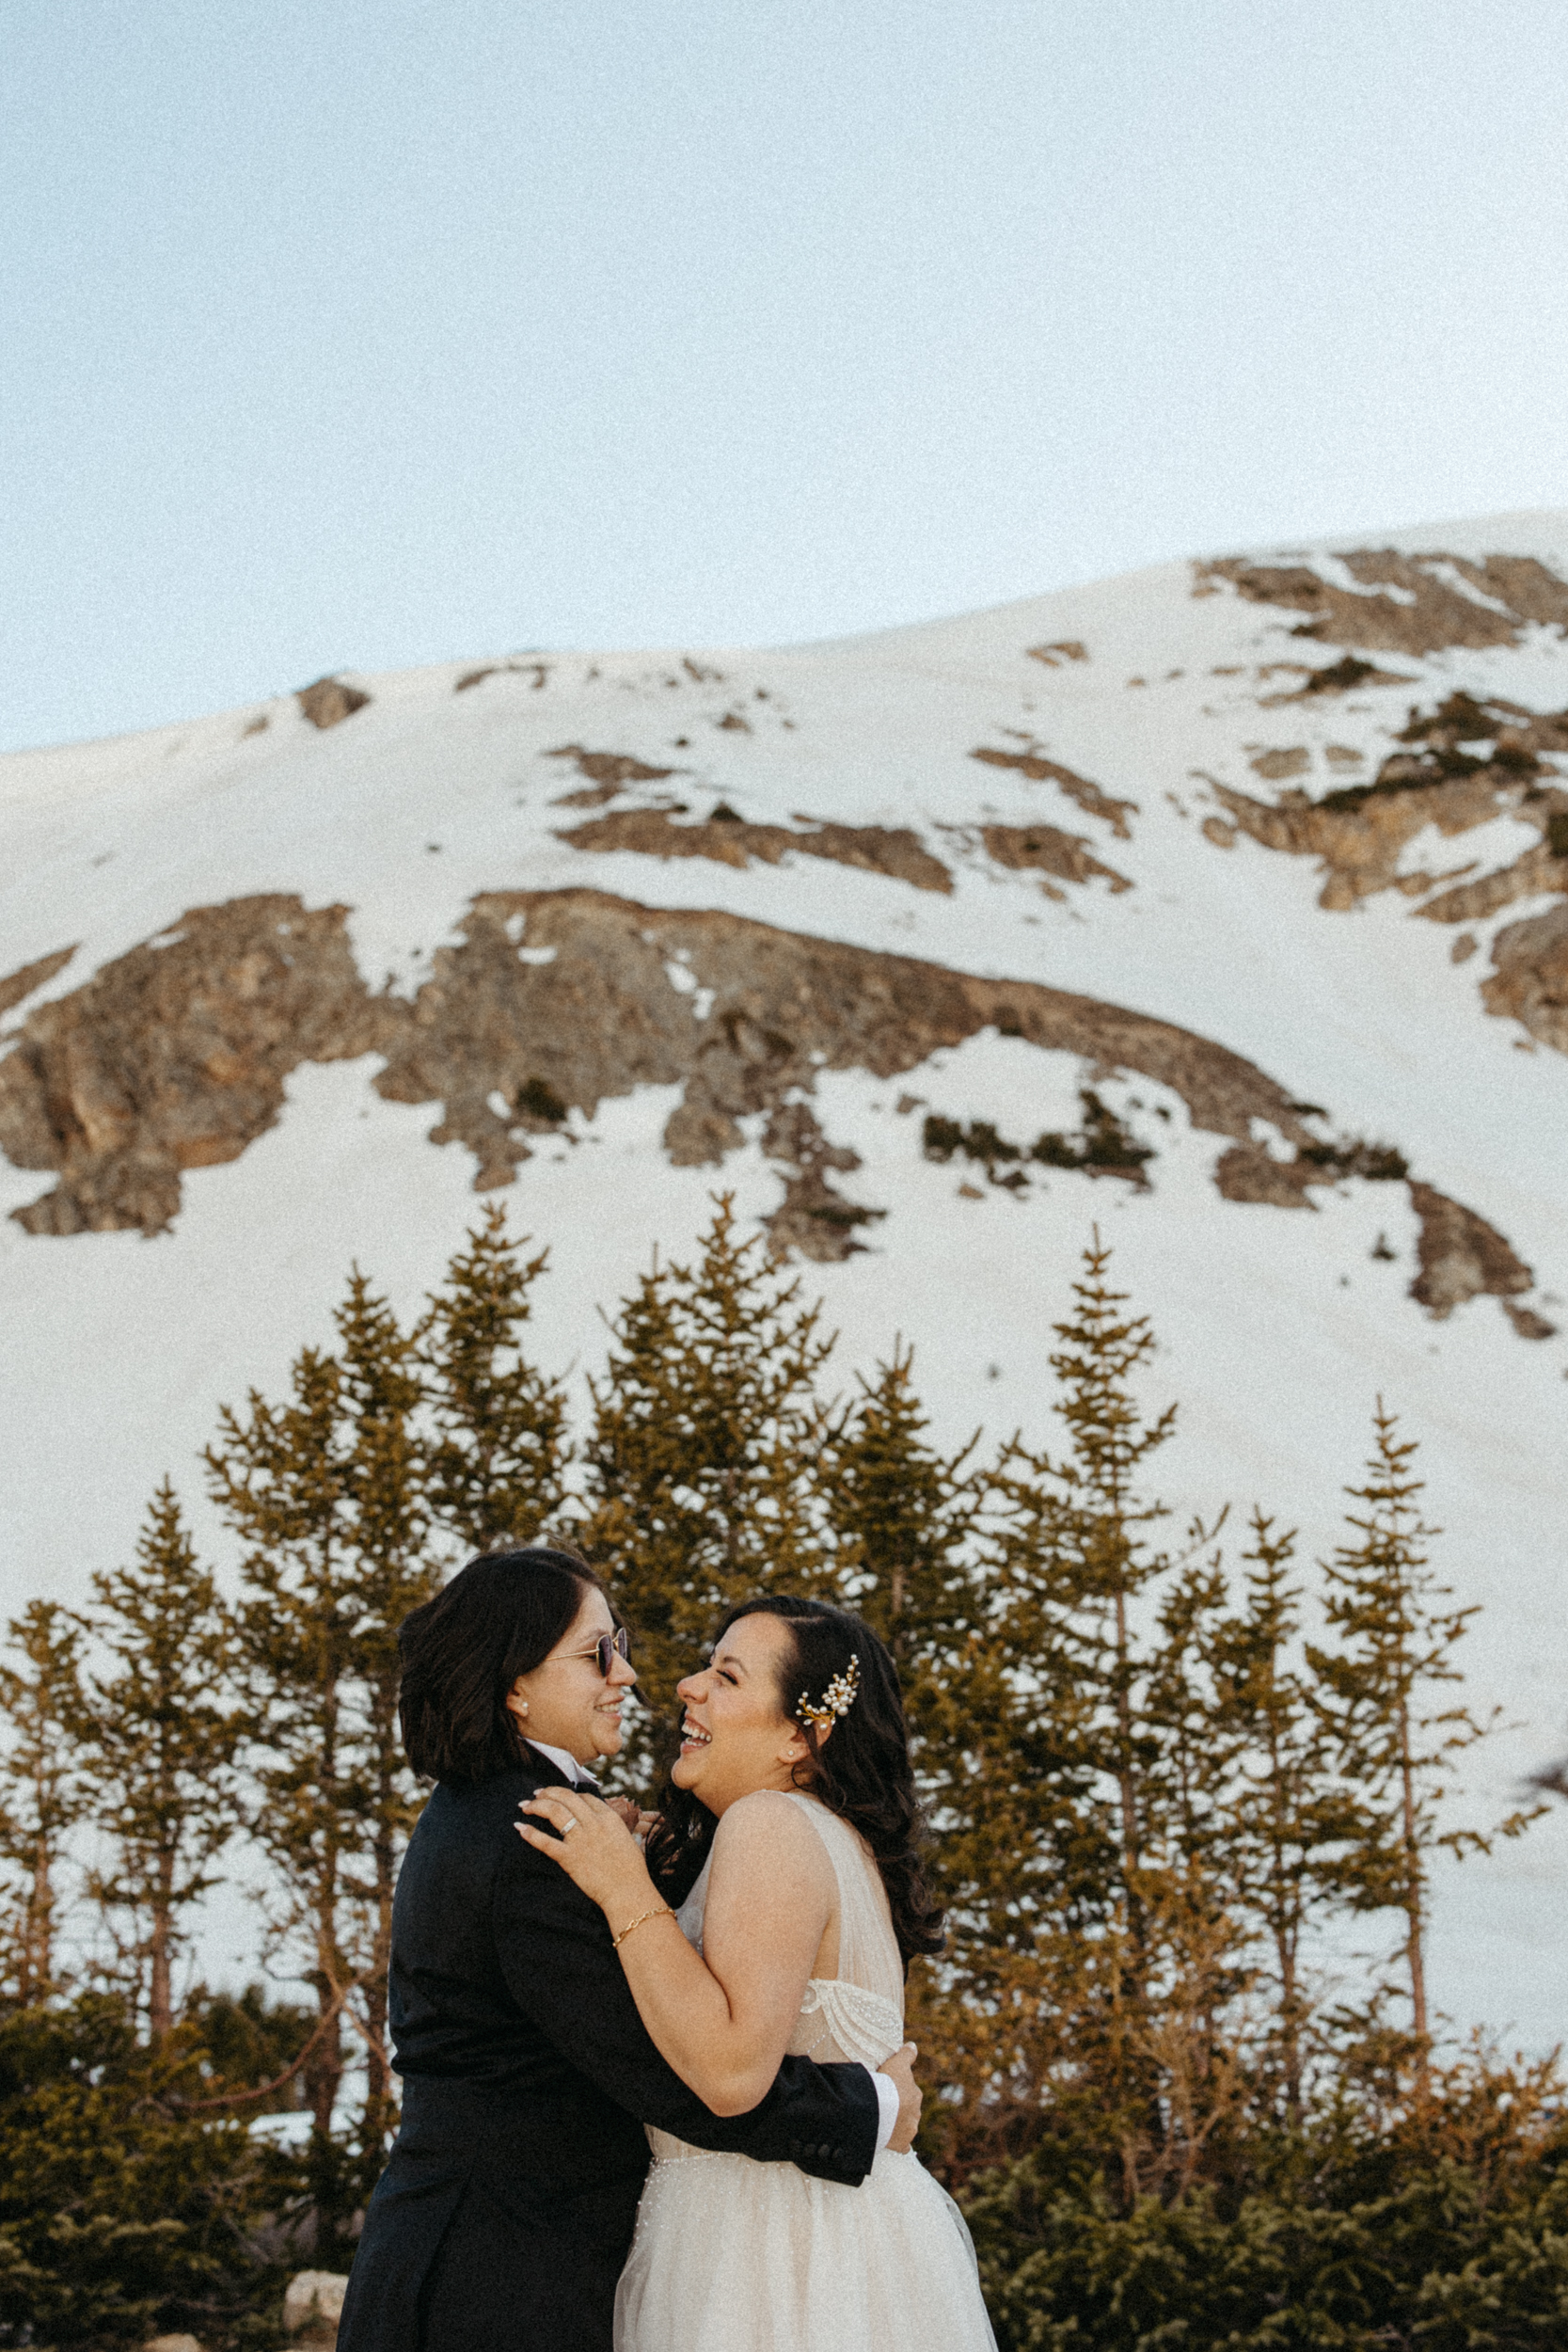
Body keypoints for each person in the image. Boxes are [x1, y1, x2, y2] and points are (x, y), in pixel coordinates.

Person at [336, 1549, 920, 2352]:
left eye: (623, 1644)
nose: (633, 1675)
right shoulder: (532, 1834)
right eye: (597, 1653)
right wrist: (867, 2109)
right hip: (495, 2283)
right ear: (514, 1685)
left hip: (502, 2266)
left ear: (802, 1734)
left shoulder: (515, 1817)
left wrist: (632, 1878)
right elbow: (665, 2066)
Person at [518, 1594, 998, 2352]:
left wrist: (620, 1884)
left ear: (801, 1739)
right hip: (830, 2236)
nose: (688, 1686)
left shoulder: (769, 1825)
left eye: (727, 1676)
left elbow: (734, 2070)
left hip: (767, 2255)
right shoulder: (826, 1840)